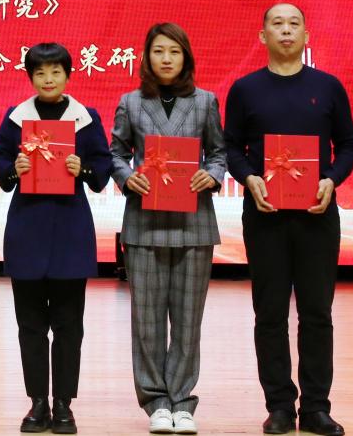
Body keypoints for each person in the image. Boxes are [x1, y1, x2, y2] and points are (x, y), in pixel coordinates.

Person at [224, 4, 353, 436]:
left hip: (317, 215)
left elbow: (348, 144)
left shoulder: (328, 87)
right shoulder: (245, 89)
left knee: (317, 312)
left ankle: (317, 407)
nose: (286, 30)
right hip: (265, 215)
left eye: (294, 24)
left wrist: (331, 179)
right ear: (262, 36)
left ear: (306, 35)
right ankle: (280, 406)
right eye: (277, 24)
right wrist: (248, 178)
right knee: (270, 313)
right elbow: (231, 148)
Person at [0, 42, 112, 435]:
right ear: (30, 77)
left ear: (68, 75)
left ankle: (63, 405)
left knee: (69, 325)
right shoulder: (16, 117)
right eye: (40, 72)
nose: (48, 79)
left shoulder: (85, 118)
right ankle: (37, 402)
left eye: (56, 71)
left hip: (70, 230)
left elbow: (103, 169)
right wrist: (15, 167)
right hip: (27, 228)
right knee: (30, 325)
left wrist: (82, 168)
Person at [111, 23, 227, 435]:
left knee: (188, 320)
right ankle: (156, 402)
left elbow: (219, 153)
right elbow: (116, 153)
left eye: (174, 52)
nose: (166, 58)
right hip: (144, 224)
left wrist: (212, 175)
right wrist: (128, 177)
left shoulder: (205, 101)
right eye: (159, 51)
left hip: (194, 224)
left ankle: (182, 400)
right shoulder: (130, 102)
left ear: (186, 58)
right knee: (147, 321)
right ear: (146, 57)